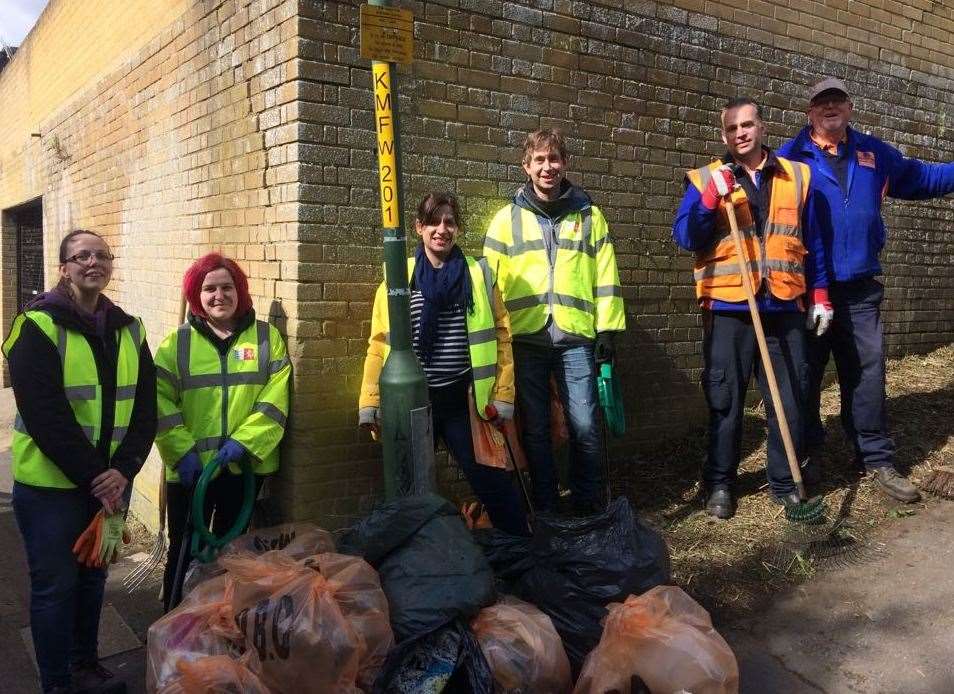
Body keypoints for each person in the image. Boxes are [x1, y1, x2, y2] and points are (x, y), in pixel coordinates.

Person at [778, 78, 954, 503]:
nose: (830, 108)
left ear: (850, 108)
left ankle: (874, 457)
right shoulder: (787, 159)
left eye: (838, 100)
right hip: (807, 291)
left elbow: (921, 177)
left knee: (867, 376)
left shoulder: (874, 154)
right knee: (804, 377)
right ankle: (809, 453)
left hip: (860, 290)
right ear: (809, 113)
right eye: (822, 103)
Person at [3, 229, 156, 694]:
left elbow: (146, 407)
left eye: (102, 255)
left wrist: (125, 469)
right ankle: (57, 684)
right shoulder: (35, 326)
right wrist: (100, 478)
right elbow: (45, 414)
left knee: (95, 581)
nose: (94, 262)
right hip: (51, 490)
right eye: (81, 256)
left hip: (111, 483)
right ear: (64, 267)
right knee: (55, 588)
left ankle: (86, 668)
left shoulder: (130, 328)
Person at [672, 97, 828, 519]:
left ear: (761, 127)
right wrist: (707, 201)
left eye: (746, 125)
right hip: (730, 307)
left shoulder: (797, 177)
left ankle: (783, 481)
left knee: (789, 398)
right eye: (731, 128)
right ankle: (720, 483)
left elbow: (814, 242)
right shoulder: (707, 178)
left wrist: (820, 295)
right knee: (725, 399)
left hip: (783, 305)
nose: (740, 133)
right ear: (724, 135)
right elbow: (686, 235)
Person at [359, 192, 528, 535]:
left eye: (449, 222)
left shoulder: (478, 275)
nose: (442, 229)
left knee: (492, 479)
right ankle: (416, 557)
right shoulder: (398, 277)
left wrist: (504, 395)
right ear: (419, 228)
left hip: (462, 401)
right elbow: (380, 344)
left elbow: (502, 336)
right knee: (408, 486)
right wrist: (370, 401)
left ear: (458, 229)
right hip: (413, 403)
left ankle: (521, 547)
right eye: (433, 222)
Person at [483, 128, 626, 515]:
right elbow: (488, 288)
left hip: (576, 338)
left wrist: (608, 330)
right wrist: (494, 342)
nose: (548, 167)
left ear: (565, 164)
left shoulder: (590, 216)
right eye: (540, 160)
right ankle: (545, 508)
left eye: (554, 159)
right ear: (526, 166)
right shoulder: (504, 221)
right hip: (525, 338)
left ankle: (589, 506)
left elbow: (606, 276)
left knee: (585, 425)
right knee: (536, 431)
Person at [155, 254, 290, 610]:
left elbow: (275, 398)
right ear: (195, 296)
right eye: (209, 288)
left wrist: (244, 444)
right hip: (190, 471)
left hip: (242, 468)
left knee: (232, 553)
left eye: (227, 287)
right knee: (184, 551)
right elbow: (158, 403)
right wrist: (181, 451)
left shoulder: (266, 338)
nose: (219, 295)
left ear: (240, 291)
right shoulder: (176, 345)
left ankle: (221, 621)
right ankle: (174, 624)